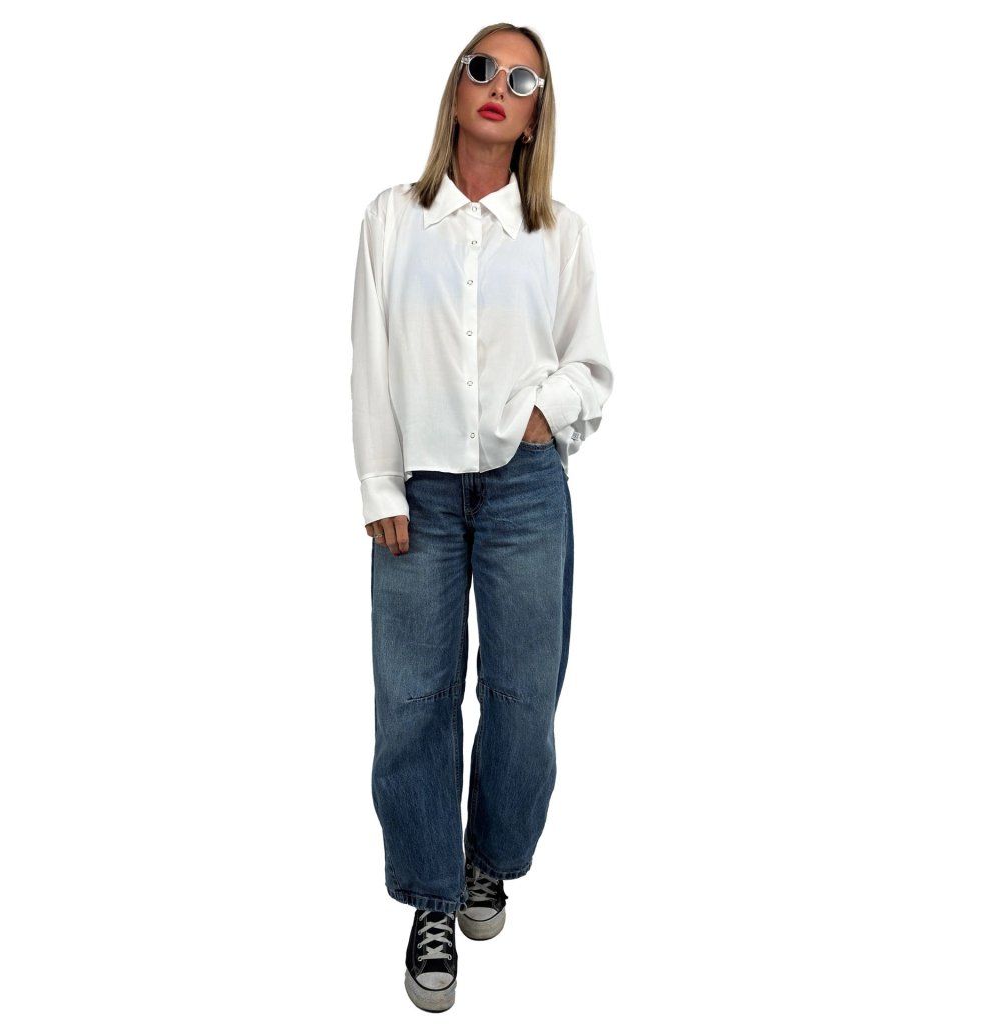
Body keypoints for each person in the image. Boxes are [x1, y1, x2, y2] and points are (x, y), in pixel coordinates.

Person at [349, 23, 613, 1012]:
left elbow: (591, 363)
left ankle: (488, 859)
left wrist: (545, 413)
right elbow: (369, 356)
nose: (500, 86)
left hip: (525, 488)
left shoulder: (559, 233)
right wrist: (379, 484)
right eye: (483, 68)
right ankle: (429, 893)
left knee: (523, 693)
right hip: (417, 490)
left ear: (536, 113)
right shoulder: (393, 218)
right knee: (413, 698)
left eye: (523, 79)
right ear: (456, 88)